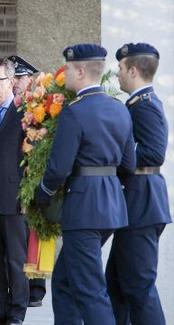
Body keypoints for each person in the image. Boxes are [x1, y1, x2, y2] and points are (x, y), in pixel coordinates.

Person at [34, 43, 136, 325]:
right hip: (111, 205)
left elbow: (59, 168)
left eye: (67, 68)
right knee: (65, 281)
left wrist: (41, 194)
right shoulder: (119, 109)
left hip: (84, 208)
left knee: (90, 290)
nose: (64, 73)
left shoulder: (75, 111)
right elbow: (128, 164)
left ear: (80, 70)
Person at [106, 42, 171, 325]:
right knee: (117, 283)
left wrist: (114, 151)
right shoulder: (136, 103)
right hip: (135, 203)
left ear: (132, 70)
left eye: (120, 68)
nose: (117, 74)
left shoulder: (145, 106)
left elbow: (155, 152)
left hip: (142, 204)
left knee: (138, 286)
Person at [0, 57, 28, 325]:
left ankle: (18, 311)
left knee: (15, 259)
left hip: (13, 196)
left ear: (12, 82)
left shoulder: (24, 114)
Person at [8, 55, 46, 308]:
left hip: (33, 175)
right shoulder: (13, 107)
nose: (16, 83)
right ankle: (23, 284)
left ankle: (36, 287)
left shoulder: (37, 107)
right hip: (15, 177)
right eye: (15, 78)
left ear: (30, 79)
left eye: (20, 78)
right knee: (20, 236)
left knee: (35, 231)